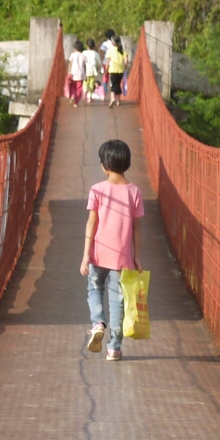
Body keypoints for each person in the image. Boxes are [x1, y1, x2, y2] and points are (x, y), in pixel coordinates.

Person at [81, 138, 146, 362]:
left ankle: (98, 323)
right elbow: (137, 227)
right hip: (123, 256)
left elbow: (91, 223)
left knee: (95, 289)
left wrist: (84, 256)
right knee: (118, 300)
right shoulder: (135, 192)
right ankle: (114, 348)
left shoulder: (97, 190)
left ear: (104, 165)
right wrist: (137, 256)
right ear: (126, 163)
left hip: (99, 252)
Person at [106, 32, 127, 106]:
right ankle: (118, 101)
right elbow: (126, 60)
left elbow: (107, 62)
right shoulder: (122, 50)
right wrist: (125, 67)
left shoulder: (110, 51)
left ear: (112, 42)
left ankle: (112, 98)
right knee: (118, 84)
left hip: (113, 70)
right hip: (120, 70)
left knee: (113, 85)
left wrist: (106, 69)